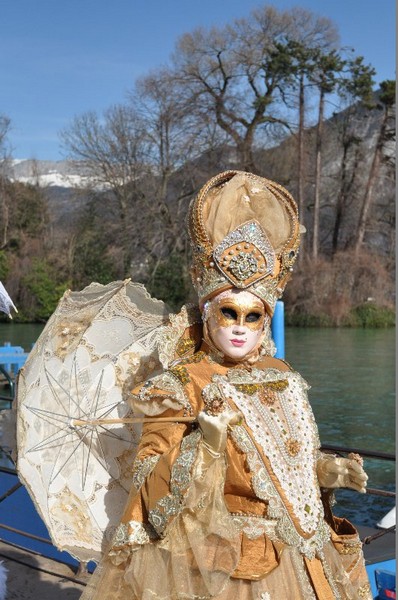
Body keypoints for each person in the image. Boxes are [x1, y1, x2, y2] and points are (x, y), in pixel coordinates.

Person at [80, 171, 371, 599]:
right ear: (207, 311)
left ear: (266, 319)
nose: (239, 328)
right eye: (227, 313)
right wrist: (207, 444)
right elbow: (148, 487)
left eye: (252, 316)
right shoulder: (178, 387)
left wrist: (324, 471)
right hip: (219, 564)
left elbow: (283, 464)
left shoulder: (281, 374)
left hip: (299, 557)